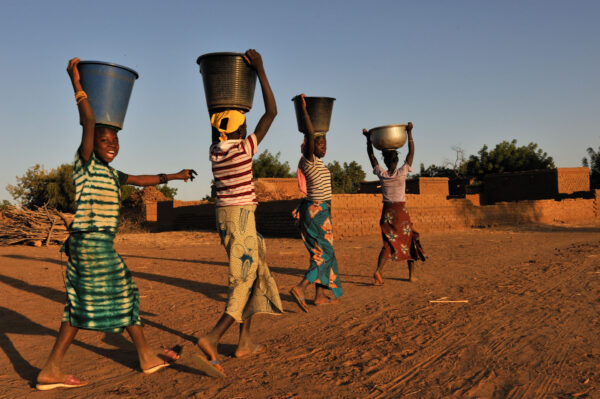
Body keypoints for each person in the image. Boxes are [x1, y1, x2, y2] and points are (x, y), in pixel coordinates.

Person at [35, 58, 197, 391]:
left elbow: (140, 179)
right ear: (92, 144)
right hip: (90, 243)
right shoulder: (84, 163)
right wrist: (76, 82)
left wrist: (174, 175)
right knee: (119, 296)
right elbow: (89, 122)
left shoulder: (111, 174)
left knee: (93, 302)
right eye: (105, 141)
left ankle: (57, 367)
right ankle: (144, 356)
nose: (112, 145)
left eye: (115, 142)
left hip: (98, 245)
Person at [197, 49, 283, 376]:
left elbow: (219, 122)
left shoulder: (215, 151)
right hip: (241, 217)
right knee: (242, 281)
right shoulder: (244, 148)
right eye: (244, 122)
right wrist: (260, 69)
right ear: (239, 128)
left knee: (256, 268)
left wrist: (214, 88)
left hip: (226, 218)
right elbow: (271, 112)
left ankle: (245, 341)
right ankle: (212, 337)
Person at [290, 94, 343, 312]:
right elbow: (310, 133)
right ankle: (301, 287)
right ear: (308, 147)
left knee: (320, 251)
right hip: (317, 212)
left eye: (325, 144)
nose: (323, 147)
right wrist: (304, 110)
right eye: (320, 143)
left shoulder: (316, 163)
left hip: (317, 210)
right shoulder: (309, 160)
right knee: (326, 252)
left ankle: (320, 295)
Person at [363, 123, 425, 285]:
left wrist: (368, 140)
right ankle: (411, 275)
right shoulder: (402, 172)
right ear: (397, 160)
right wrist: (410, 133)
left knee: (388, 242)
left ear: (384, 160)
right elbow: (411, 152)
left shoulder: (382, 174)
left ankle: (378, 271)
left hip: (387, 213)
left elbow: (372, 156)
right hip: (400, 213)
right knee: (409, 240)